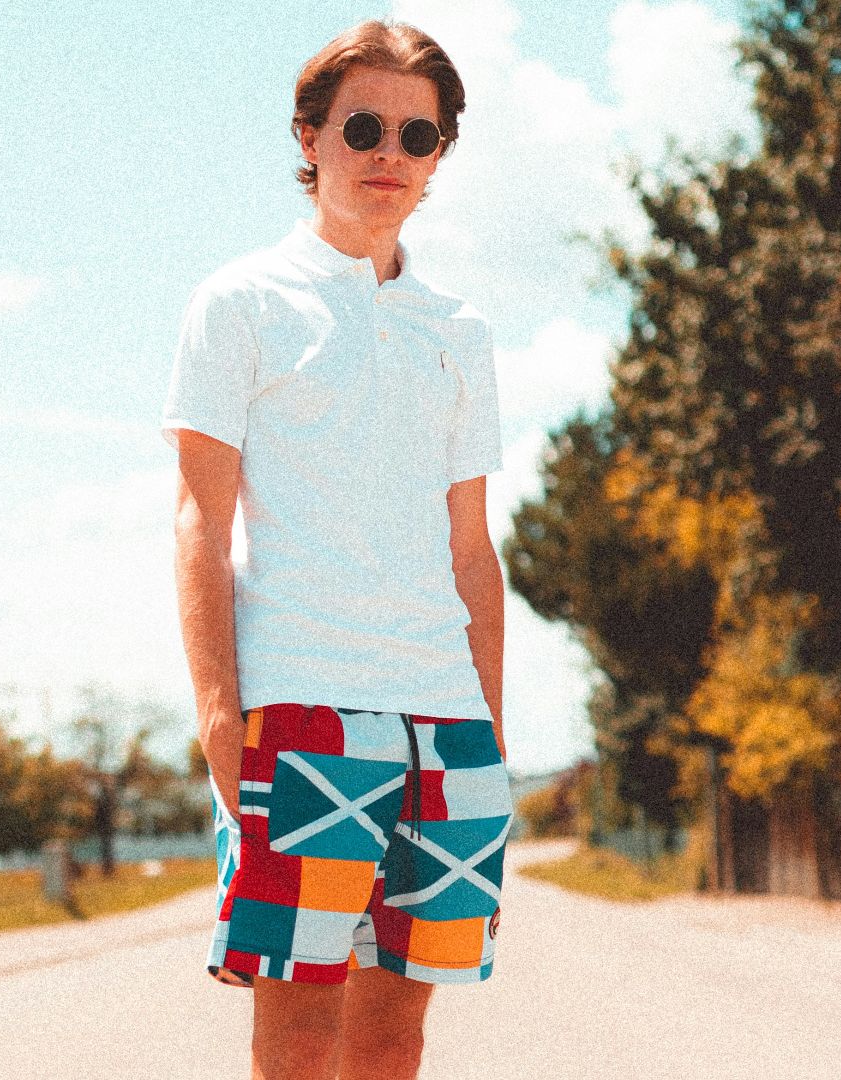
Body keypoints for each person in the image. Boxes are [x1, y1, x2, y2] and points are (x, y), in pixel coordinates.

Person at [162, 18, 510, 1080]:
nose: (389, 154)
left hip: (444, 726)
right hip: (305, 708)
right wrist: (221, 712)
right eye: (363, 126)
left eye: (420, 134)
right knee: (302, 1037)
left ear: (441, 156)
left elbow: (471, 551)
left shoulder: (460, 331)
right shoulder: (243, 303)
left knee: (398, 1033)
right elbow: (198, 522)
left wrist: (490, 730)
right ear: (309, 136)